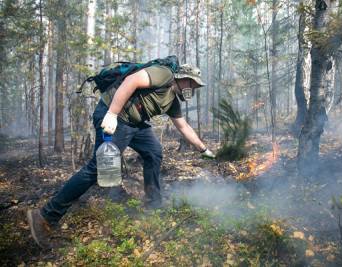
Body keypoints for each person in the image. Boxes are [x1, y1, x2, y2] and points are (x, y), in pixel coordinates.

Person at [27, 62, 215, 249]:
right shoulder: (164, 74)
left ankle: (153, 205)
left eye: (196, 86)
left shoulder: (172, 100)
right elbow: (131, 82)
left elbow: (183, 127)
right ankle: (45, 216)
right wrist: (111, 114)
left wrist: (203, 149)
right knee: (98, 168)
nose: (193, 89)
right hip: (113, 116)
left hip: (134, 124)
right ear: (182, 78)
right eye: (192, 84)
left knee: (154, 152)